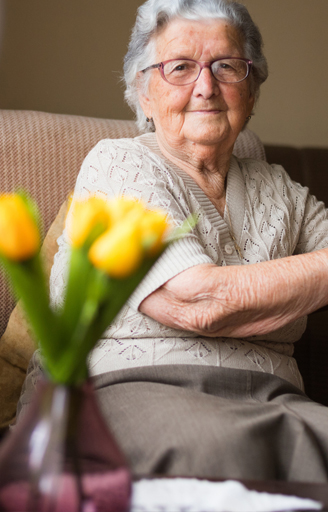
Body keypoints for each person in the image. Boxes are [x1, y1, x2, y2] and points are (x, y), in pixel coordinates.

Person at [20, 0, 328, 482]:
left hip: (275, 398)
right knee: (219, 451)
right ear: (143, 92)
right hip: (129, 390)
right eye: (180, 67)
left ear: (252, 88)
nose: (206, 87)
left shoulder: (279, 187)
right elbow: (197, 300)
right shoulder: (117, 166)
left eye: (226, 66)